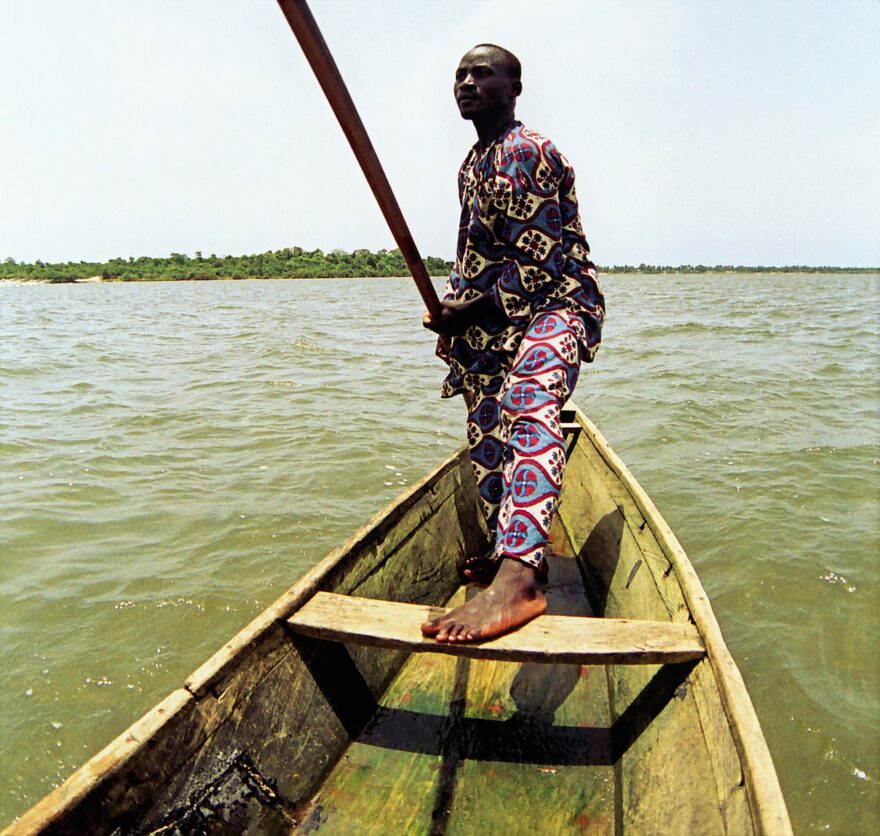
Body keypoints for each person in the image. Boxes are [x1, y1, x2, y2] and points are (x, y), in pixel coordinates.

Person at [421, 44, 605, 644]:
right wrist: (454, 318)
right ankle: (517, 549)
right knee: (487, 427)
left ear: (515, 87)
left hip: (556, 303)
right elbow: (473, 256)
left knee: (528, 399)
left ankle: (520, 575)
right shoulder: (471, 165)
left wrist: (469, 309)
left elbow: (541, 261)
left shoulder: (529, 151)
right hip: (495, 318)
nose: (467, 83)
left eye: (483, 74)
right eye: (460, 75)